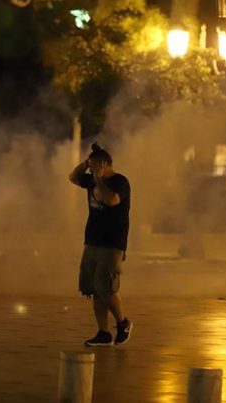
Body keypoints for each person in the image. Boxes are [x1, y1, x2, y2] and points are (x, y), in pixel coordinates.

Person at [69, 143, 132, 346]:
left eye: (95, 165)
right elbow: (73, 177)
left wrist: (98, 179)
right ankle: (103, 332)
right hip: (92, 240)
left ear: (105, 164)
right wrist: (85, 164)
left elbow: (112, 200)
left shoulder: (120, 181)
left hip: (112, 242)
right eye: (91, 165)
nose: (92, 170)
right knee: (93, 288)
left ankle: (123, 323)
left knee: (106, 287)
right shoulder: (92, 179)